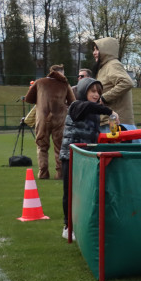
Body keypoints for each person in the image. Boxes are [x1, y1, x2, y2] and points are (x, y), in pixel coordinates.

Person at [58, 77, 116, 240]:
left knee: (85, 192)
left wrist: (116, 129)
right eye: (93, 91)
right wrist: (110, 111)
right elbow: (89, 106)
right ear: (84, 91)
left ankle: (81, 224)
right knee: (70, 192)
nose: (96, 95)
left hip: (85, 157)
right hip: (71, 156)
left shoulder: (94, 112)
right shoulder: (77, 106)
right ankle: (67, 226)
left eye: (99, 92)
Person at [23, 64, 75, 179]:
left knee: (42, 146)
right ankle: (60, 173)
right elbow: (73, 102)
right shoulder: (65, 84)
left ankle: (43, 173)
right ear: (61, 72)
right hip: (60, 119)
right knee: (60, 147)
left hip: (42, 118)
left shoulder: (40, 82)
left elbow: (28, 99)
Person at [91, 37, 136, 132]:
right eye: (94, 50)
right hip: (108, 121)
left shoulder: (112, 65)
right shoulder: (104, 68)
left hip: (116, 122)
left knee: (116, 142)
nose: (94, 53)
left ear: (106, 50)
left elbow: (126, 82)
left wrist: (104, 98)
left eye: (97, 49)